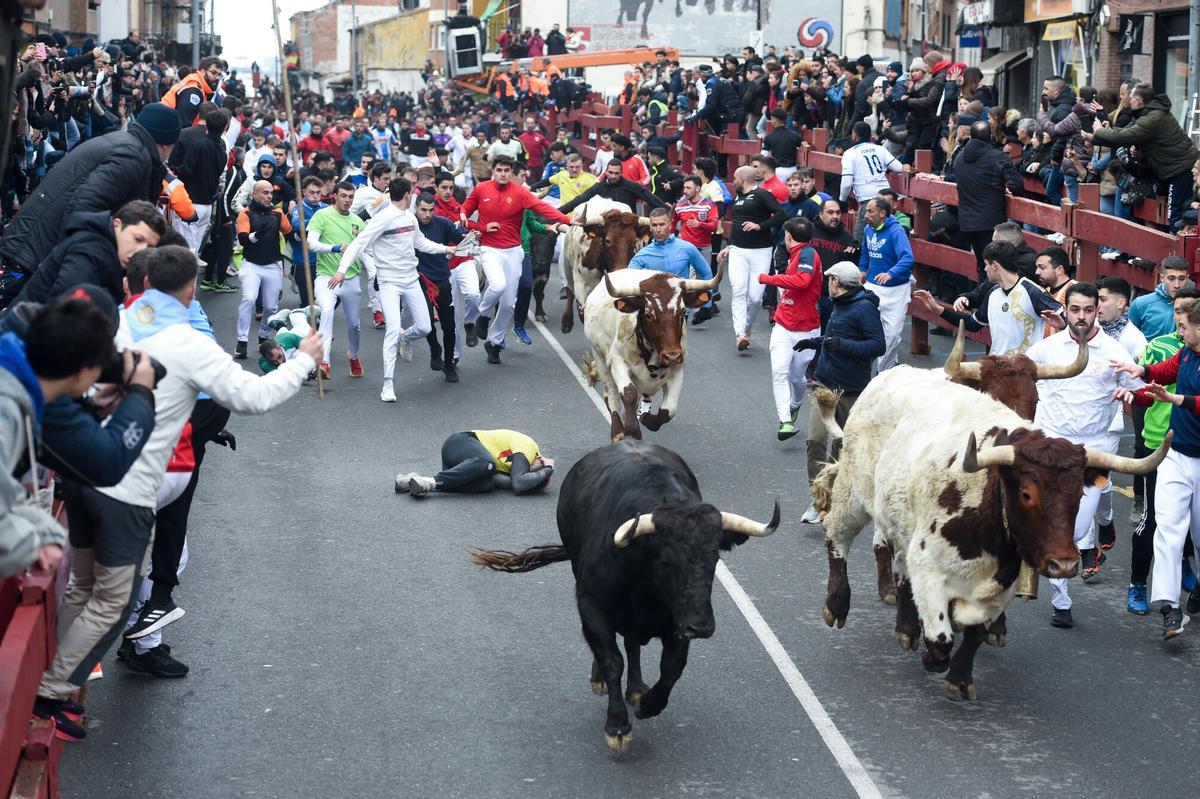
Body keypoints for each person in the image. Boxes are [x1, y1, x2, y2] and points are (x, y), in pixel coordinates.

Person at [33, 246, 321, 741]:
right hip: (128, 486)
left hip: (82, 475)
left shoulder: (116, 321)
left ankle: (63, 686)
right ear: (190, 289)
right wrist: (302, 362)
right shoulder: (187, 342)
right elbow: (253, 397)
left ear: (139, 283)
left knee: (83, 587)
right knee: (116, 601)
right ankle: (53, 693)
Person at [1027, 283, 1143, 628]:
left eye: (1087, 310)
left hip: (1094, 450)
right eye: (1074, 310)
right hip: (1051, 447)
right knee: (1056, 526)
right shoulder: (1046, 348)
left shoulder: (1114, 351)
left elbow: (1143, 392)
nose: (1080, 317)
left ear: (1098, 311)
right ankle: (1061, 602)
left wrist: (1129, 392)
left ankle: (1104, 524)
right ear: (1066, 310)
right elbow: (1017, 377)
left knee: (1078, 529)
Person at [0, 103, 180, 294]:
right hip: (35, 260)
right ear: (166, 143)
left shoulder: (124, 143)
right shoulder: (132, 156)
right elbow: (84, 207)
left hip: (31, 249)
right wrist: (79, 268)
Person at [0, 298, 116, 580]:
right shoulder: (7, 408)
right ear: (82, 371)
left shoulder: (14, 383)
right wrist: (33, 543)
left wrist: (43, 530)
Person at [1113, 296, 1200, 640]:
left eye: (1184, 326)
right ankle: (1170, 608)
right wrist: (1143, 372)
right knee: (1168, 530)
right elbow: (1170, 370)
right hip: (1176, 454)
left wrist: (1175, 399)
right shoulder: (1188, 352)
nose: (1179, 331)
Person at [336, 179, 454, 402]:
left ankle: (405, 338)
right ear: (409, 195)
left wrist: (448, 248)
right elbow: (358, 244)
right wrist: (342, 271)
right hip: (389, 281)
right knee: (391, 330)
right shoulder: (382, 218)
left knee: (425, 327)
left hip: (411, 279)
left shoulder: (410, 217)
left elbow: (421, 243)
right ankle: (388, 385)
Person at [460, 155, 575, 365]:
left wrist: (568, 220)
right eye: (499, 170)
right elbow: (465, 216)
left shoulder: (521, 193)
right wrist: (481, 228)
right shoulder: (480, 189)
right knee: (497, 285)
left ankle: (494, 343)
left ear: (511, 172)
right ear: (493, 170)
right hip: (489, 249)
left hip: (514, 251)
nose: (503, 174)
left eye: (507, 170)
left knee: (507, 305)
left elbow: (544, 208)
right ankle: (483, 315)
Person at [796, 261, 885, 522]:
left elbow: (877, 346)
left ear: (836, 282)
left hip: (851, 391)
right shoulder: (839, 304)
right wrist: (817, 342)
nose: (827, 283)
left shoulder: (864, 308)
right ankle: (819, 498)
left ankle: (834, 497)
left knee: (842, 446)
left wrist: (838, 344)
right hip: (824, 386)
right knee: (815, 441)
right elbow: (837, 339)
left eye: (829, 279)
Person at [914, 241, 1062, 356]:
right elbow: (973, 324)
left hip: (1026, 371)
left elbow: (1066, 317)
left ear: (995, 265)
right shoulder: (993, 294)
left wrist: (1061, 324)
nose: (985, 269)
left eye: (986, 265)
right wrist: (938, 309)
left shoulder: (1032, 291)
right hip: (997, 368)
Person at [1086, 83, 1200, 231]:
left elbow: (1127, 135)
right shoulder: (1151, 114)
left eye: (1131, 97)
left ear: (1139, 100)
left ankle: (1177, 250)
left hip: (1179, 169)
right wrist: (1108, 131)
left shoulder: (1152, 118)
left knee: (1174, 214)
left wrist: (1099, 132)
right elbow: (1131, 132)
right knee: (1162, 212)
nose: (1127, 100)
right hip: (1171, 170)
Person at [13, 200, 164, 307]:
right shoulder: (91, 249)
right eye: (137, 239)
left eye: (149, 246)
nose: (140, 250)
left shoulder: (108, 250)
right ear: (117, 224)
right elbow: (68, 309)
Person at [758, 218, 822, 440]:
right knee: (779, 371)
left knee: (797, 378)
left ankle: (795, 404)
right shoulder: (796, 254)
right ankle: (785, 421)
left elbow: (803, 281)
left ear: (788, 236)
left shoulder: (808, 254)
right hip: (783, 325)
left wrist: (770, 279)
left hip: (807, 329)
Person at [717, 165, 789, 352]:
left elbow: (782, 214)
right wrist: (730, 247)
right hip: (738, 250)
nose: (733, 182)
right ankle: (740, 333)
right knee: (739, 290)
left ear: (743, 179)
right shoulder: (738, 198)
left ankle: (747, 326)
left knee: (755, 297)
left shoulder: (762, 194)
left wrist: (760, 226)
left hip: (761, 250)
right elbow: (736, 224)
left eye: (735, 178)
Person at [943, 121, 1023, 283]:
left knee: (983, 264)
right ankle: (989, 302)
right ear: (990, 136)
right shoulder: (997, 157)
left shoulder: (959, 158)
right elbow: (1017, 185)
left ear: (971, 136)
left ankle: (981, 301)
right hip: (991, 220)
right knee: (996, 265)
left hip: (967, 220)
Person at [306, 182, 366, 379]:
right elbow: (311, 243)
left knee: (354, 325)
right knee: (327, 311)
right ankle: (324, 362)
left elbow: (365, 252)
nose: (347, 200)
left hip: (351, 279)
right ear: (334, 196)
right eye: (343, 196)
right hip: (326, 277)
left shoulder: (358, 221)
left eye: (350, 196)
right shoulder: (321, 216)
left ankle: (354, 355)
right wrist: (335, 248)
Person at [395, 429, 554, 497]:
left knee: (487, 484)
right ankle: (430, 482)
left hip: (463, 465)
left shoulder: (512, 470)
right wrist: (548, 468)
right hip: (460, 441)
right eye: (533, 473)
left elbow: (512, 483)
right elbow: (520, 483)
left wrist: (537, 478)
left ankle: (412, 481)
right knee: (487, 463)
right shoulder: (528, 447)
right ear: (539, 459)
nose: (529, 473)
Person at [234, 180, 293, 360]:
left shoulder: (277, 213)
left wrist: (304, 232)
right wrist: (257, 235)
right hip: (251, 264)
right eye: (265, 193)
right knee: (249, 298)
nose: (269, 196)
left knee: (271, 306)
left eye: (270, 193)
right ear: (254, 194)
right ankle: (241, 341)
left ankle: (263, 336)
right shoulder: (245, 214)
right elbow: (243, 239)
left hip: (273, 265)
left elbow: (291, 234)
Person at [413, 193, 465, 383]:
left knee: (449, 326)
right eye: (423, 210)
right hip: (419, 281)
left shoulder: (443, 224)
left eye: (431, 210)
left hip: (442, 280)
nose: (427, 214)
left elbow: (460, 239)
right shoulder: (409, 226)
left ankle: (449, 365)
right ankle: (435, 348)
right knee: (426, 322)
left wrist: (470, 233)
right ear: (416, 208)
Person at [857, 196, 914, 370]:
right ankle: (861, 371)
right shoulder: (868, 229)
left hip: (896, 290)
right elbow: (865, 254)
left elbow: (908, 258)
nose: (866, 215)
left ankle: (883, 374)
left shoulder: (896, 232)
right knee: (862, 329)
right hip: (873, 287)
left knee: (892, 335)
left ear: (882, 213)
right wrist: (862, 269)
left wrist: (891, 273)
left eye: (870, 211)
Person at [167, 109, 229, 254]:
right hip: (206, 206)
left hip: (190, 204)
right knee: (193, 253)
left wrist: (171, 170)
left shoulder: (198, 144)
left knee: (183, 253)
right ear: (225, 127)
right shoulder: (222, 150)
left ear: (206, 124)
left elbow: (187, 169)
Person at [840, 121, 903, 240]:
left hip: (868, 201)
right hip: (886, 198)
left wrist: (842, 199)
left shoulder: (850, 153)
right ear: (870, 136)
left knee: (860, 240)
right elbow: (899, 167)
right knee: (886, 237)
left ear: (854, 135)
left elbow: (847, 183)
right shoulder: (880, 149)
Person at [558, 158, 667, 214]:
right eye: (611, 172)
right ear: (606, 172)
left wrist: (665, 209)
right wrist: (556, 213)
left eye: (617, 173)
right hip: (605, 226)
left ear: (621, 173)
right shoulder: (599, 187)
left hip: (627, 226)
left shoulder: (631, 185)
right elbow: (579, 200)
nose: (613, 176)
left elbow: (648, 196)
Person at [1130, 255, 1190, 340]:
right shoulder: (1140, 304)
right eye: (1171, 278)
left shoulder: (1195, 305)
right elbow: (1129, 339)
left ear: (1187, 278)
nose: (1177, 285)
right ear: (1162, 278)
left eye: (1181, 279)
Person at [159, 57, 222, 126]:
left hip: (163, 122)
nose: (217, 78)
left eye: (219, 75)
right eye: (214, 73)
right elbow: (183, 125)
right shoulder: (194, 91)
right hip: (165, 126)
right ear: (203, 72)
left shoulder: (194, 81)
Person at [1034, 246, 1076, 336]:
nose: (1036, 272)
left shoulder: (1076, 291)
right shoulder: (1044, 291)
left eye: (1042, 268)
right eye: (1037, 267)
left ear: (1059, 270)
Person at [761, 109, 803, 180]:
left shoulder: (769, 137)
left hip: (777, 171)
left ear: (775, 120)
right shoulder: (795, 135)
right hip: (792, 170)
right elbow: (804, 148)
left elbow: (763, 155)